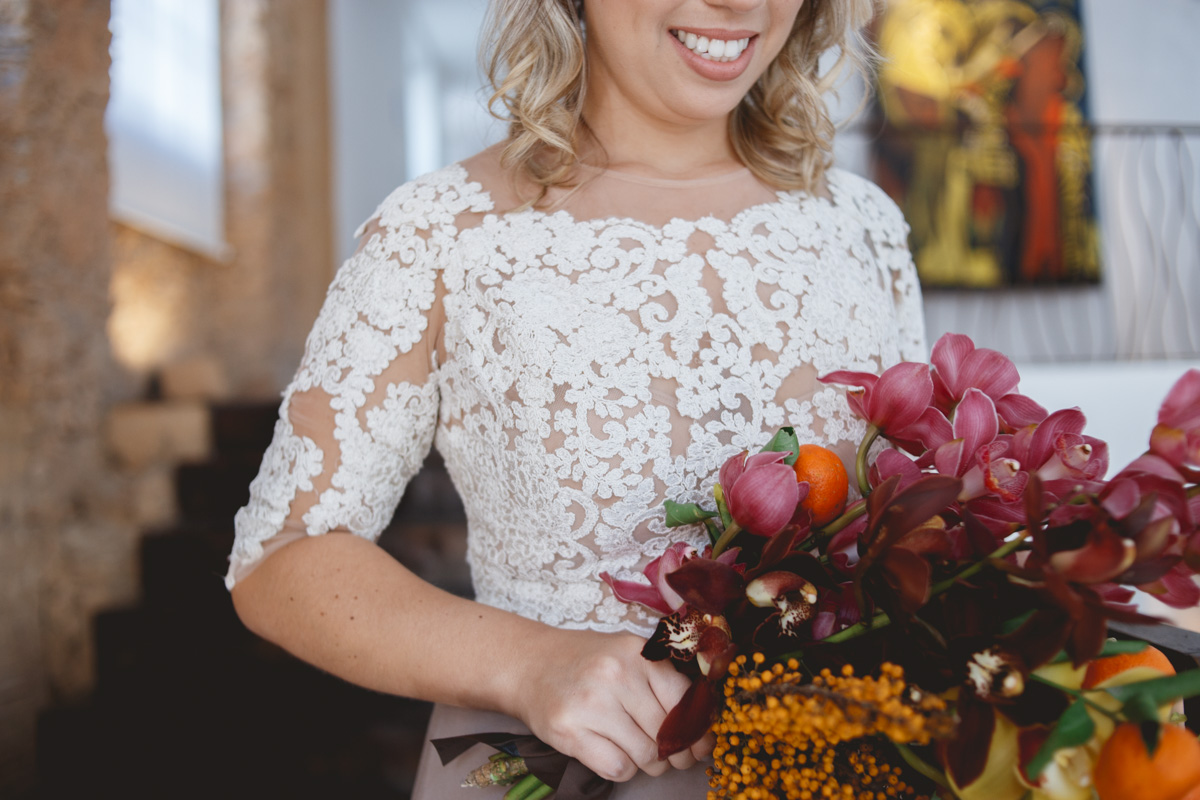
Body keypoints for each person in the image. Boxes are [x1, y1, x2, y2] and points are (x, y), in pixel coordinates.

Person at [226, 0, 925, 796]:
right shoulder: (443, 234)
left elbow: (912, 522)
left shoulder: (863, 228)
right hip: (557, 777)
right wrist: (533, 665)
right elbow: (281, 558)